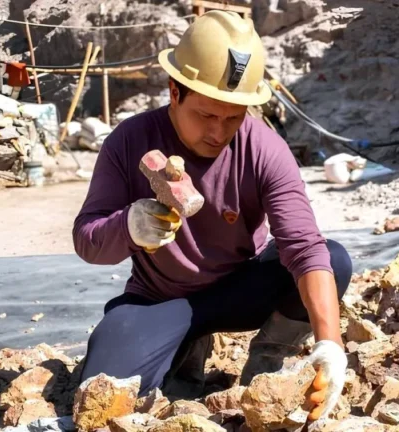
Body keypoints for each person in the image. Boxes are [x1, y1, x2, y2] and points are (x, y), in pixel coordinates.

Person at [72, 10, 352, 422]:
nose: (218, 133)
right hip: (160, 299)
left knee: (333, 260)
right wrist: (129, 225)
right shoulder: (129, 142)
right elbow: (87, 241)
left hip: (240, 288)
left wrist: (331, 344)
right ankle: (186, 347)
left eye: (233, 118)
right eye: (206, 115)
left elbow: (304, 247)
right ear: (174, 91)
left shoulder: (264, 148)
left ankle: (267, 367)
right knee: (102, 392)